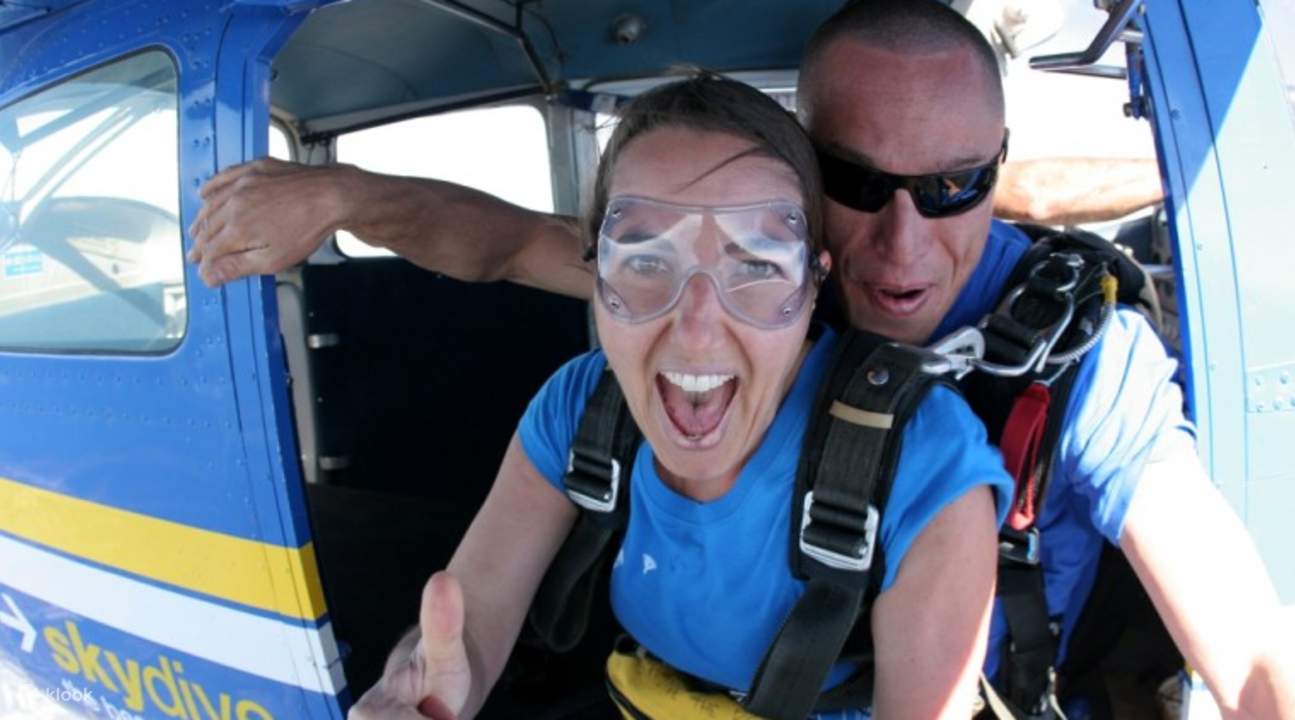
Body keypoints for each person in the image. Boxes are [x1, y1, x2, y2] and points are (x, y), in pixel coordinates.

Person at [188, 1, 1294, 717]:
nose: (903, 246)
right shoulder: (724, 280)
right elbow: (516, 243)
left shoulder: (1075, 367)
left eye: (953, 186)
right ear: (801, 187)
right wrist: (340, 195)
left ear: (993, 168)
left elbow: (1241, 636)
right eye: (855, 181)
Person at [345, 73, 1011, 719]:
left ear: (813, 284)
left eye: (756, 265)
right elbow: (469, 625)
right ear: (596, 273)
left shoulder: (922, 464)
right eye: (645, 262)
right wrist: (423, 685)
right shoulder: (581, 409)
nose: (695, 333)